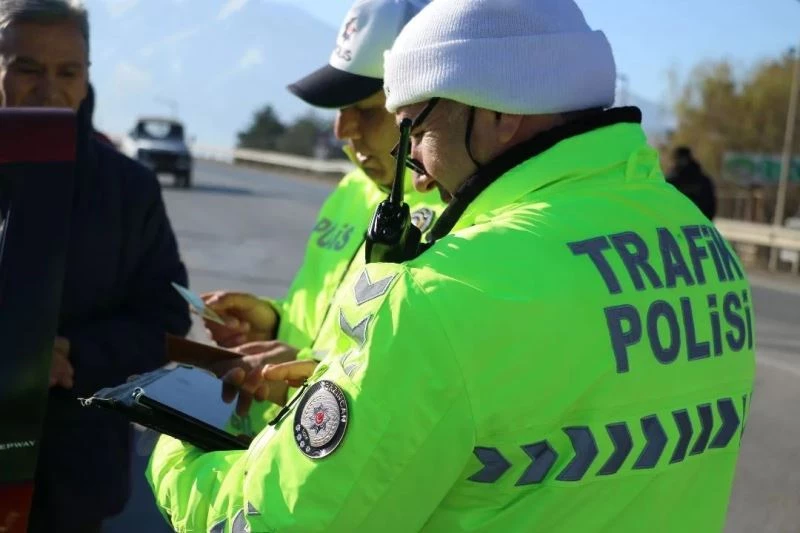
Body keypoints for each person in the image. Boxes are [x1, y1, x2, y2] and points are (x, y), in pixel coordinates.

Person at [147, 0, 756, 531]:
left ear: (498, 111)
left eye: (416, 122)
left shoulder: (445, 290)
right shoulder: (701, 242)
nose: (410, 154)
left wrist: (179, 447)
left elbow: (279, 523)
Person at [198, 0, 443, 434]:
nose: (340, 130)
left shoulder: (466, 217)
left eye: (365, 110)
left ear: (422, 109)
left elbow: (424, 391)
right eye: (338, 107)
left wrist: (310, 376)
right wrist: (273, 320)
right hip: (291, 439)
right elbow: (325, 322)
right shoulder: (352, 189)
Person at [0, 1, 192, 530]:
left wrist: (73, 354)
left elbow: (167, 319)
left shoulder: (129, 190)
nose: (49, 90)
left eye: (68, 72)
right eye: (27, 69)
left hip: (74, 479)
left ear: (87, 79)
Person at [667, 146, 717, 220]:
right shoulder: (704, 179)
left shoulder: (673, 180)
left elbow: (709, 205)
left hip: (682, 222)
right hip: (697, 223)